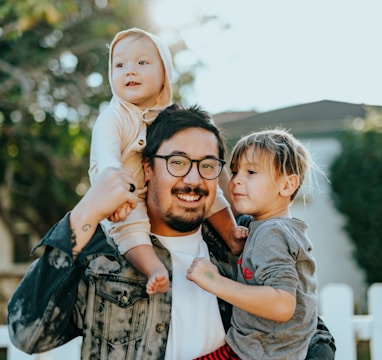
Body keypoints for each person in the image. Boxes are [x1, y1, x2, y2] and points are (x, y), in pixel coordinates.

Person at [7, 105, 335, 359]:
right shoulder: (102, 251)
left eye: (207, 165)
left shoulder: (241, 240)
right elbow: (28, 334)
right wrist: (85, 212)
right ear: (147, 168)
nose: (193, 179)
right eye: (177, 162)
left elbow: (309, 329)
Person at [88, 28, 242, 295]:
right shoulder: (113, 117)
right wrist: (117, 198)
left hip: (158, 188)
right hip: (122, 196)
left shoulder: (170, 119)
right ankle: (154, 269)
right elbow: (108, 163)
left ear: (164, 78)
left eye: (142, 62)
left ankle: (231, 233)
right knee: (130, 228)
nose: (129, 71)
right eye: (120, 64)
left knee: (207, 187)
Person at [187, 128, 323, 359]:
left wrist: (213, 281)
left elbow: (282, 304)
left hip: (256, 352)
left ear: (287, 185)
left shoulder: (271, 233)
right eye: (234, 171)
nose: (237, 180)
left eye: (251, 172)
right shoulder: (275, 229)